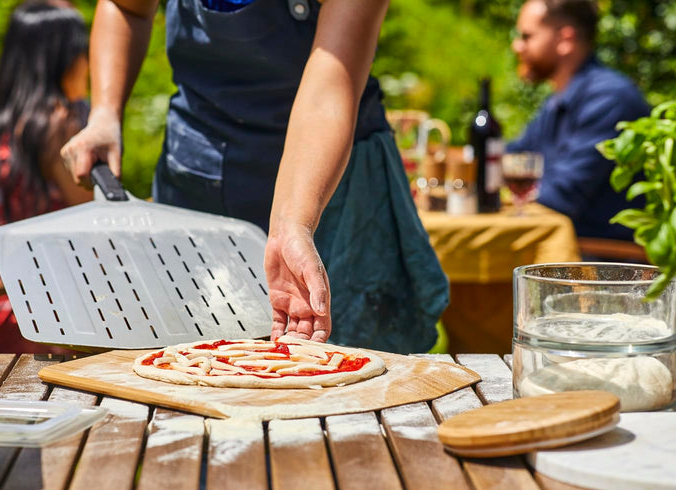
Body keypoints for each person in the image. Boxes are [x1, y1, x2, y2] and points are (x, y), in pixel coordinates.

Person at [61, 0, 448, 352]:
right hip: (197, 175)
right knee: (185, 368)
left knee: (349, 383)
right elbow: (127, 8)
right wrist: (105, 113)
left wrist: (291, 226)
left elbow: (329, 89)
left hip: (333, 188)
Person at [0, 0, 93, 353]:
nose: (90, 62)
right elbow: (93, 214)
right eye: (83, 50)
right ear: (59, 58)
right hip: (21, 303)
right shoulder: (56, 123)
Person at [508, 0, 650, 241]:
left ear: (565, 39)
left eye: (527, 36)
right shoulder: (560, 99)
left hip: (600, 263)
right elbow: (515, 157)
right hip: (558, 247)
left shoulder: (609, 98)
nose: (517, 46)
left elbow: (562, 196)